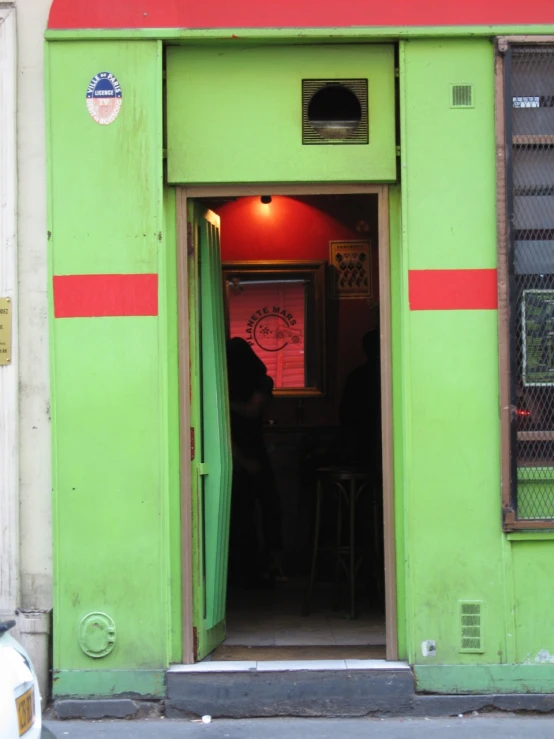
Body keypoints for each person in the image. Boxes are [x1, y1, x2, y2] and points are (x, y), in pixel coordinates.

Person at [226, 337, 283, 588]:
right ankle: (271, 563)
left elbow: (250, 411)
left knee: (242, 512)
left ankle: (247, 569)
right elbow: (253, 410)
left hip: (233, 450)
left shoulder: (223, 382)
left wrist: (222, 402)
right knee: (268, 506)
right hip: (252, 449)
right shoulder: (260, 380)